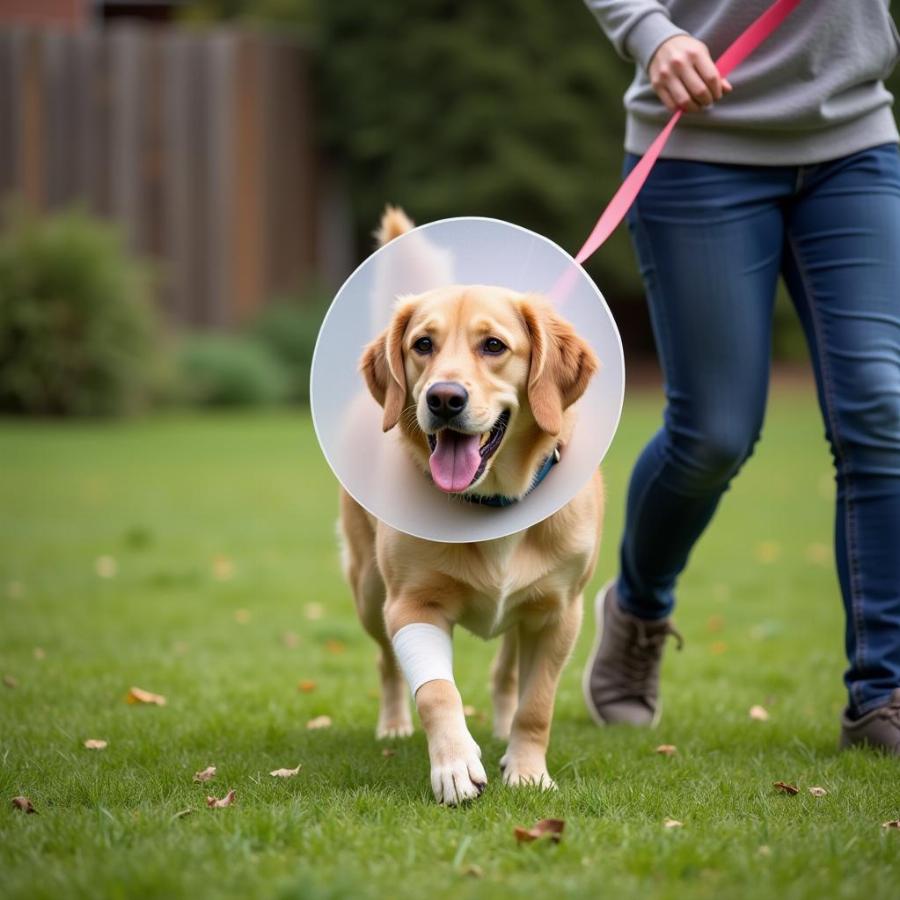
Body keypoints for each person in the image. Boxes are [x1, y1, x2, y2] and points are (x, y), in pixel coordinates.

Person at [582, 0, 900, 753]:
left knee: (882, 409)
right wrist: (649, 34)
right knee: (713, 435)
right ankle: (638, 608)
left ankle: (882, 694)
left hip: (854, 139)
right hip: (697, 142)